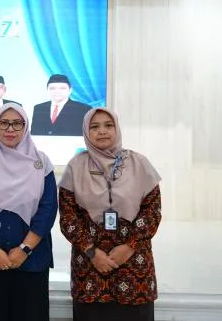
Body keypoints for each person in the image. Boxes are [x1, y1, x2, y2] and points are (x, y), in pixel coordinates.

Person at [59, 108, 162, 321]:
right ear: (86, 132)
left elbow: (152, 212)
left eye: (108, 125)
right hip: (90, 267)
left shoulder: (139, 163)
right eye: (94, 127)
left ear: (117, 129)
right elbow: (68, 218)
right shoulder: (76, 166)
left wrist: (129, 246)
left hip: (134, 265)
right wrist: (92, 253)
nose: (102, 131)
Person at [0, 103, 58, 320]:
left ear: (26, 126)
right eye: (4, 123)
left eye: (17, 123)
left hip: (32, 261)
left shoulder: (41, 162)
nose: (10, 129)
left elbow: (48, 209)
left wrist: (24, 249)